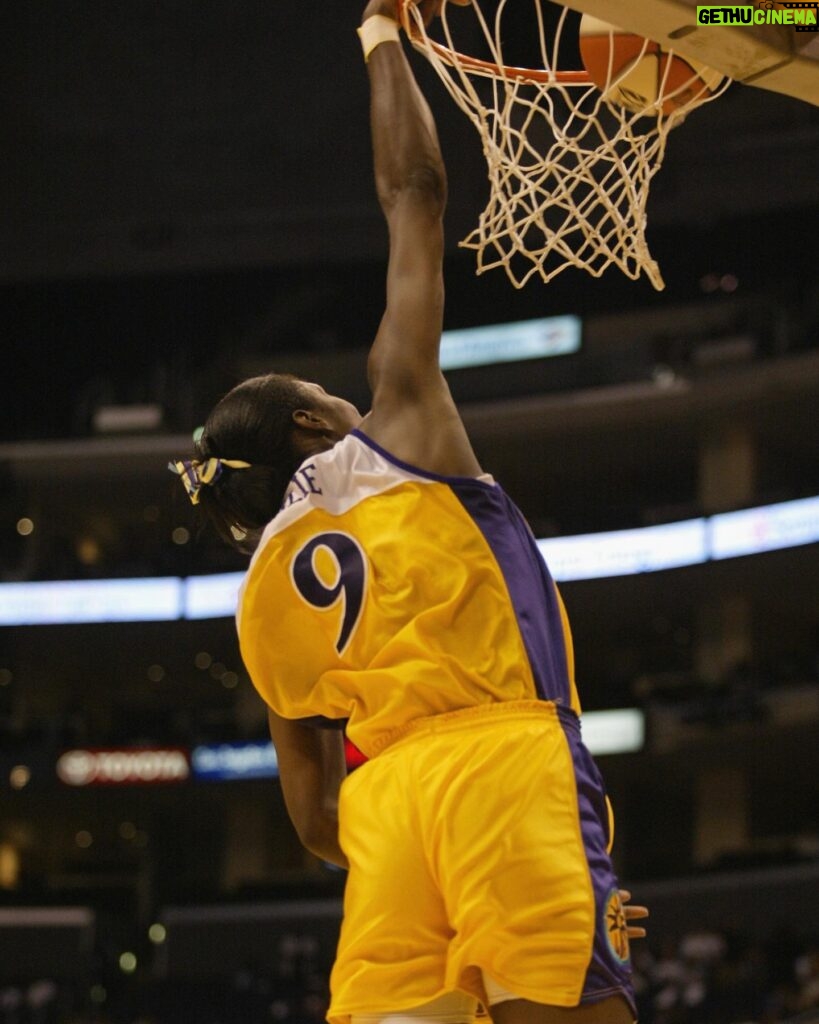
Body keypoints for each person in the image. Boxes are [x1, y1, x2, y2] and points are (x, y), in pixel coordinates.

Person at [171, 1, 647, 1022]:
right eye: (326, 394)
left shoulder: (257, 596)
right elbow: (416, 193)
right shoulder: (396, 428)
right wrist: (383, 32)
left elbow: (310, 817)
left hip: (383, 820)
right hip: (502, 761)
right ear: (310, 417)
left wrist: (423, 850)